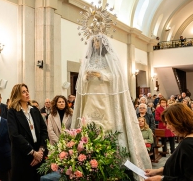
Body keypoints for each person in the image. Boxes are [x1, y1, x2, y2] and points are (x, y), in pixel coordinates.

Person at [71, 34, 152, 178]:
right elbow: (81, 80)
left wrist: (101, 75)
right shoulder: (87, 60)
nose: (95, 44)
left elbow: (117, 77)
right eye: (94, 42)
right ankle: (88, 155)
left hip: (105, 97)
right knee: (88, 123)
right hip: (91, 97)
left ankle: (110, 158)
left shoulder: (111, 59)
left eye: (98, 42)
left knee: (107, 124)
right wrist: (86, 77)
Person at [7, 83, 48, 181]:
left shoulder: (34, 110)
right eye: (23, 92)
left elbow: (44, 130)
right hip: (23, 155)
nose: (27, 94)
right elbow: (14, 135)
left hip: (38, 154)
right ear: (17, 95)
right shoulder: (12, 112)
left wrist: (41, 150)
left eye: (27, 91)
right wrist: (33, 153)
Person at [145, 103, 193, 181]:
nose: (167, 127)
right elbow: (179, 166)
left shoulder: (188, 145)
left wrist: (161, 179)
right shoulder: (187, 141)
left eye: (169, 123)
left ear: (180, 121)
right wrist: (159, 171)